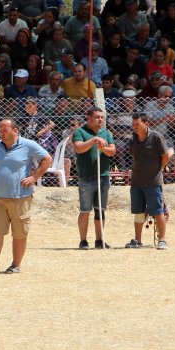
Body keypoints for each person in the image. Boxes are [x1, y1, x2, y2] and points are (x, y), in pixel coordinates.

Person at [0, 118, 52, 274]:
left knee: (20, 232)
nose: (1, 133)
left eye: (5, 130)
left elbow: (47, 159)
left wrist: (33, 177)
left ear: (15, 130)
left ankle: (15, 265)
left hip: (21, 197)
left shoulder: (28, 145)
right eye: (0, 130)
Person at [72, 107, 116, 249]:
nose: (100, 120)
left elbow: (112, 151)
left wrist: (102, 148)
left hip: (102, 176)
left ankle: (99, 239)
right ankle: (83, 240)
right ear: (89, 118)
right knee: (85, 209)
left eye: (102, 117)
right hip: (86, 177)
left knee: (100, 209)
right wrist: (94, 140)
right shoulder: (80, 132)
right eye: (97, 117)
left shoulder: (106, 133)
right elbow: (79, 148)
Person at [126, 113, 170, 249]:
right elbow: (134, 156)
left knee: (157, 211)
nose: (134, 127)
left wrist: (160, 168)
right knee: (138, 212)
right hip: (137, 181)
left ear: (146, 124)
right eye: (133, 124)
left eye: (137, 124)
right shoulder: (132, 139)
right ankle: (137, 240)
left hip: (153, 182)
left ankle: (162, 240)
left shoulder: (156, 137)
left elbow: (165, 156)